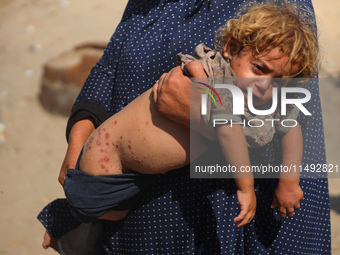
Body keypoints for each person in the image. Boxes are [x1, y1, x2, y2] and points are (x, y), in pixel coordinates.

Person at [38, 0, 331, 254]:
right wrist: (80, 135)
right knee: (94, 206)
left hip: (204, 221)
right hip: (130, 206)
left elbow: (295, 125)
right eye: (259, 70)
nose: (266, 84)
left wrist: (200, 112)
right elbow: (110, 64)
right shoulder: (148, 6)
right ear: (230, 48)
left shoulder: (276, 22)